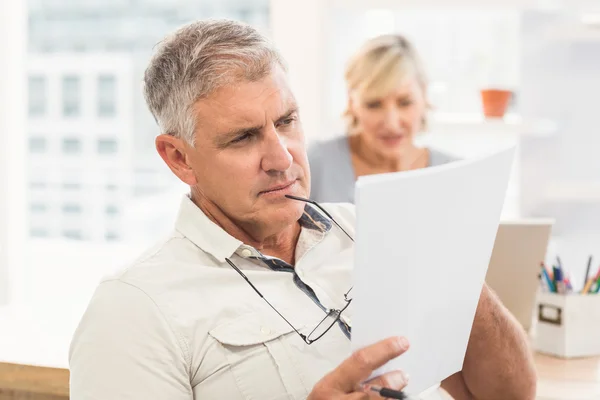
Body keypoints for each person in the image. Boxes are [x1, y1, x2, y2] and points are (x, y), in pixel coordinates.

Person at [69, 19, 536, 400]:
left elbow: (511, 395)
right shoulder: (132, 309)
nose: (283, 157)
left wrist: (455, 264)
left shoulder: (371, 232)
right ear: (179, 158)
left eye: (287, 121)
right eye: (244, 137)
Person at [309, 34, 455, 203]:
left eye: (405, 103)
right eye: (374, 105)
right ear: (352, 102)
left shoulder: (453, 173)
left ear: (424, 97)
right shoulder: (317, 164)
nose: (391, 124)